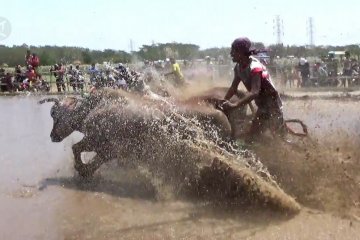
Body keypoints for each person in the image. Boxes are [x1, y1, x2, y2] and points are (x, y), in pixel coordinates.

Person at [220, 37, 285, 143]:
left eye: (234, 51)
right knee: (253, 137)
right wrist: (224, 100)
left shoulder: (255, 67)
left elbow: (255, 92)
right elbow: (233, 87)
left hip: (273, 106)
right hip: (262, 106)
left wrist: (235, 105)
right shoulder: (238, 67)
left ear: (241, 52)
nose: (231, 53)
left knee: (279, 140)